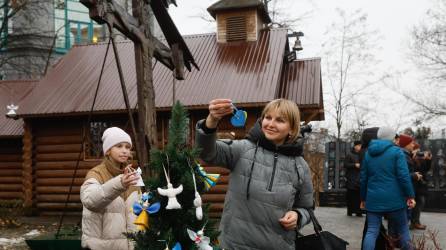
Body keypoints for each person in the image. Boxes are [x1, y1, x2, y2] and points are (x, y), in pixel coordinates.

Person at [195, 98, 314, 250]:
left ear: (291, 129)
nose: (270, 124)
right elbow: (206, 152)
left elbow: (307, 208)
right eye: (267, 117)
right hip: (235, 245)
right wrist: (211, 121)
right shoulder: (242, 149)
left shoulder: (300, 166)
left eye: (280, 120)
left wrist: (298, 216)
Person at [80, 127, 140, 250]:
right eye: (119, 146)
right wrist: (119, 184)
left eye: (127, 147)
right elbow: (90, 200)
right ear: (107, 151)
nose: (124, 151)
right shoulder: (96, 173)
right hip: (101, 246)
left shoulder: (132, 176)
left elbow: (139, 211)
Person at [360, 127, 415, 250]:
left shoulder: (369, 153)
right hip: (395, 199)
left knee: (372, 231)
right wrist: (410, 195)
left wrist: (363, 198)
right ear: (391, 138)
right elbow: (404, 177)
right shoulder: (397, 152)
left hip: (373, 199)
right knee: (403, 230)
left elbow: (363, 178)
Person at [410, 145, 432, 230]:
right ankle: (414, 222)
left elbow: (426, 169)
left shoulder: (421, 160)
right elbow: (412, 170)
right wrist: (413, 157)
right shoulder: (410, 158)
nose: (419, 152)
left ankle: (415, 221)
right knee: (417, 203)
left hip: (421, 185)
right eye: (417, 150)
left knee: (420, 203)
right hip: (414, 184)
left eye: (419, 150)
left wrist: (428, 160)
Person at [345, 140, 362, 216]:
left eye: (361, 145)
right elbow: (345, 165)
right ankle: (350, 211)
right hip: (351, 177)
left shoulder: (362, 154)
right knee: (351, 195)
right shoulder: (349, 155)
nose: (360, 147)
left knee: (359, 195)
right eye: (358, 145)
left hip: (360, 177)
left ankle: (359, 211)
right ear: (355, 146)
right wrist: (354, 165)